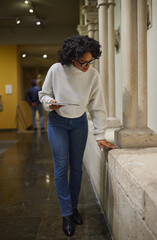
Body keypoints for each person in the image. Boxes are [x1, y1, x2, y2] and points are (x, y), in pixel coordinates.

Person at [38, 35, 116, 237]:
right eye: (83, 62)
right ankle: (66, 214)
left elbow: (97, 106)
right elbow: (43, 94)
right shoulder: (56, 70)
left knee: (76, 167)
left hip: (79, 122)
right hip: (58, 122)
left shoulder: (93, 75)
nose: (87, 66)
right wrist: (50, 103)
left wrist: (100, 134)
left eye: (91, 61)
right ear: (72, 57)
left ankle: (73, 208)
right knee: (61, 167)